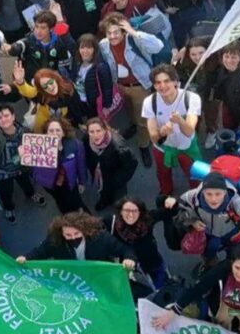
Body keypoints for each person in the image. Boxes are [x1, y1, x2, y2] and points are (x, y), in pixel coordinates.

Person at [151, 245, 240, 334]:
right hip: (218, 312)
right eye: (237, 268)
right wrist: (174, 310)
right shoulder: (223, 269)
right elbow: (200, 287)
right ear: (231, 263)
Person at [98, 13, 163, 166]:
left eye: (116, 32)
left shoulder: (134, 39)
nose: (112, 36)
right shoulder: (103, 44)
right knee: (130, 111)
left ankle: (144, 145)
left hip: (140, 86)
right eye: (109, 33)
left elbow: (157, 46)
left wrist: (133, 32)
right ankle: (134, 125)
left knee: (143, 119)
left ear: (123, 31)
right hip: (120, 86)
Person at [168, 172, 240, 267]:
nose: (213, 199)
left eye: (218, 194)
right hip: (209, 235)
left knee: (237, 256)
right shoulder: (193, 197)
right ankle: (212, 267)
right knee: (209, 254)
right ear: (202, 192)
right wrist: (193, 221)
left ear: (225, 192)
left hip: (232, 234)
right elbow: (182, 209)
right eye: (209, 194)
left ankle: (230, 268)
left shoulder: (232, 198)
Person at [143, 65, 202, 196]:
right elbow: (153, 137)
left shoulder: (191, 98)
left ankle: (196, 194)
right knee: (163, 173)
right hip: (163, 147)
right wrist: (161, 132)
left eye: (167, 81)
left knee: (194, 173)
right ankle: (166, 192)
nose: (162, 86)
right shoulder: (149, 102)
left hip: (186, 146)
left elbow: (189, 131)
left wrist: (180, 120)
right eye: (158, 82)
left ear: (176, 82)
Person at [17, 211, 137, 269]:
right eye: (68, 235)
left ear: (84, 230)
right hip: (72, 275)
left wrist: (129, 259)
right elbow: (40, 251)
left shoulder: (101, 238)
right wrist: (26, 258)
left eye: (76, 233)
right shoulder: (55, 241)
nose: (73, 237)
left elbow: (125, 249)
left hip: (97, 274)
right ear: (61, 233)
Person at [103, 197, 170, 288]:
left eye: (134, 211)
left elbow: (170, 211)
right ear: (120, 212)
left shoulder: (149, 218)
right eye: (126, 210)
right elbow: (95, 229)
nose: (130, 215)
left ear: (140, 212)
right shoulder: (111, 221)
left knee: (161, 284)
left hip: (150, 259)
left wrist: (167, 200)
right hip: (128, 262)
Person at [30, 117, 91, 215]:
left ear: (63, 133)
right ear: (46, 134)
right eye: (51, 130)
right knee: (61, 203)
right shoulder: (39, 149)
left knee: (78, 203)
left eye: (58, 130)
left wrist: (82, 182)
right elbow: (35, 171)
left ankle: (89, 221)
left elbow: (81, 166)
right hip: (51, 184)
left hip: (69, 183)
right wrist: (26, 156)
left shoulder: (76, 145)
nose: (54, 133)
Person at [3, 10, 77, 82]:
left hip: (51, 83)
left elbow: (65, 68)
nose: (38, 31)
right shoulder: (29, 39)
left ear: (51, 29)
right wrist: (12, 48)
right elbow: (18, 46)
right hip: (32, 82)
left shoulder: (59, 44)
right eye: (36, 26)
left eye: (43, 27)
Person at [13, 63, 88, 131]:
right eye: (45, 86)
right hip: (44, 123)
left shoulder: (68, 89)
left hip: (64, 123)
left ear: (55, 79)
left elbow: (75, 107)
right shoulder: (41, 93)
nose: (49, 87)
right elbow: (29, 92)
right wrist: (20, 82)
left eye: (50, 82)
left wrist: (78, 123)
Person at [84, 117, 138, 211]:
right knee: (103, 191)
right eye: (91, 132)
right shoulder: (86, 141)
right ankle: (105, 201)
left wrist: (117, 180)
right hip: (100, 176)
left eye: (98, 131)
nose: (95, 135)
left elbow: (131, 164)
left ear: (105, 130)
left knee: (119, 200)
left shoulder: (118, 146)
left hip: (115, 179)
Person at [176, 37, 221, 147]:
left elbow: (216, 36)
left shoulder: (216, 60)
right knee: (194, 115)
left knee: (211, 116)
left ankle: (211, 132)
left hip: (211, 95)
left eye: (201, 53)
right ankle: (193, 132)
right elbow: (177, 74)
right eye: (193, 54)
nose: (198, 57)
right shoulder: (183, 62)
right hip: (193, 95)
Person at [70, 34, 115, 122]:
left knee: (95, 123)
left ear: (95, 50)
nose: (85, 51)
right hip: (80, 102)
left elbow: (107, 88)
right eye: (82, 48)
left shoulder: (101, 67)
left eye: (89, 48)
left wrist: (106, 106)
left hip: (94, 104)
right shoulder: (77, 63)